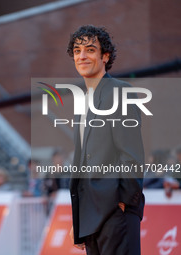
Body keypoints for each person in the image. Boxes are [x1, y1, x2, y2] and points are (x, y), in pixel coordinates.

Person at [67, 25, 145, 255]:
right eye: (77, 50)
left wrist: (123, 204)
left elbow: (131, 155)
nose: (82, 56)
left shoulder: (119, 92)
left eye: (90, 50)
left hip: (116, 213)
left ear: (105, 56)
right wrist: (81, 219)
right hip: (92, 217)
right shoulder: (82, 102)